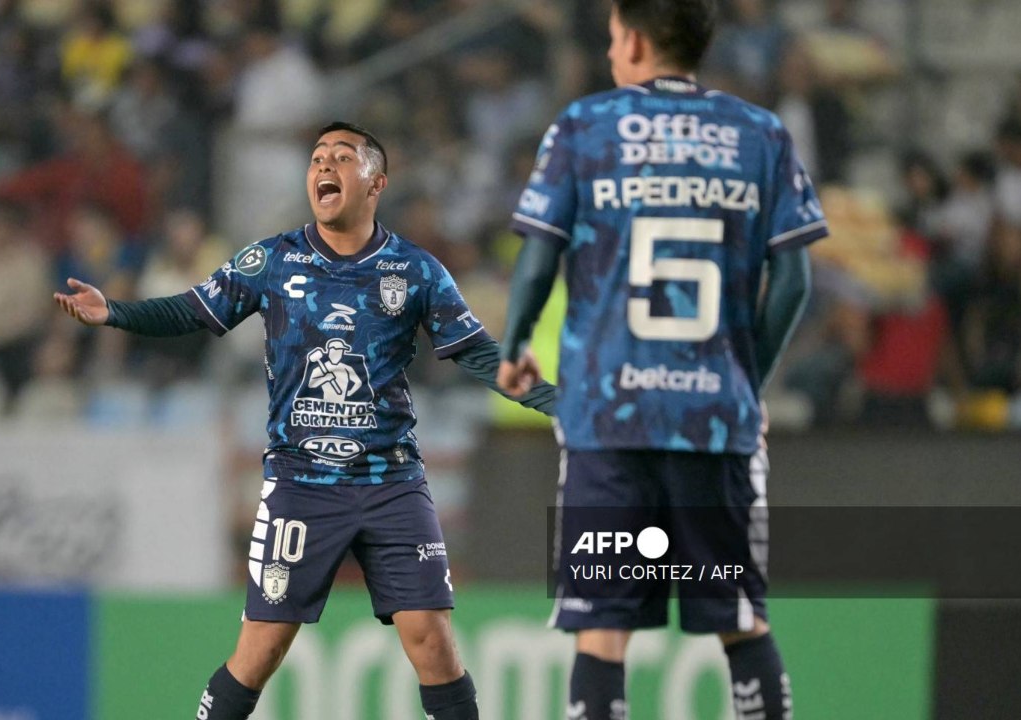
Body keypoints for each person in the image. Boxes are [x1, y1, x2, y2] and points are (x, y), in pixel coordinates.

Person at [55, 121, 556, 720]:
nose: (325, 165)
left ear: (376, 182)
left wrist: (559, 404)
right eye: (317, 156)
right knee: (261, 649)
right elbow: (192, 310)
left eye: (343, 157)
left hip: (392, 482)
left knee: (432, 640)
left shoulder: (415, 270)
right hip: (300, 485)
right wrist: (114, 312)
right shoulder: (271, 259)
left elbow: (478, 353)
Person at [496, 2, 825, 718]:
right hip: (714, 419)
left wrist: (517, 343)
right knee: (741, 619)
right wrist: (747, 378)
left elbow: (537, 259)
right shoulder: (762, 133)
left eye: (614, 37)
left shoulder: (585, 126)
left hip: (608, 421)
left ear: (636, 39)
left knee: (602, 629)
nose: (613, 51)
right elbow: (795, 280)